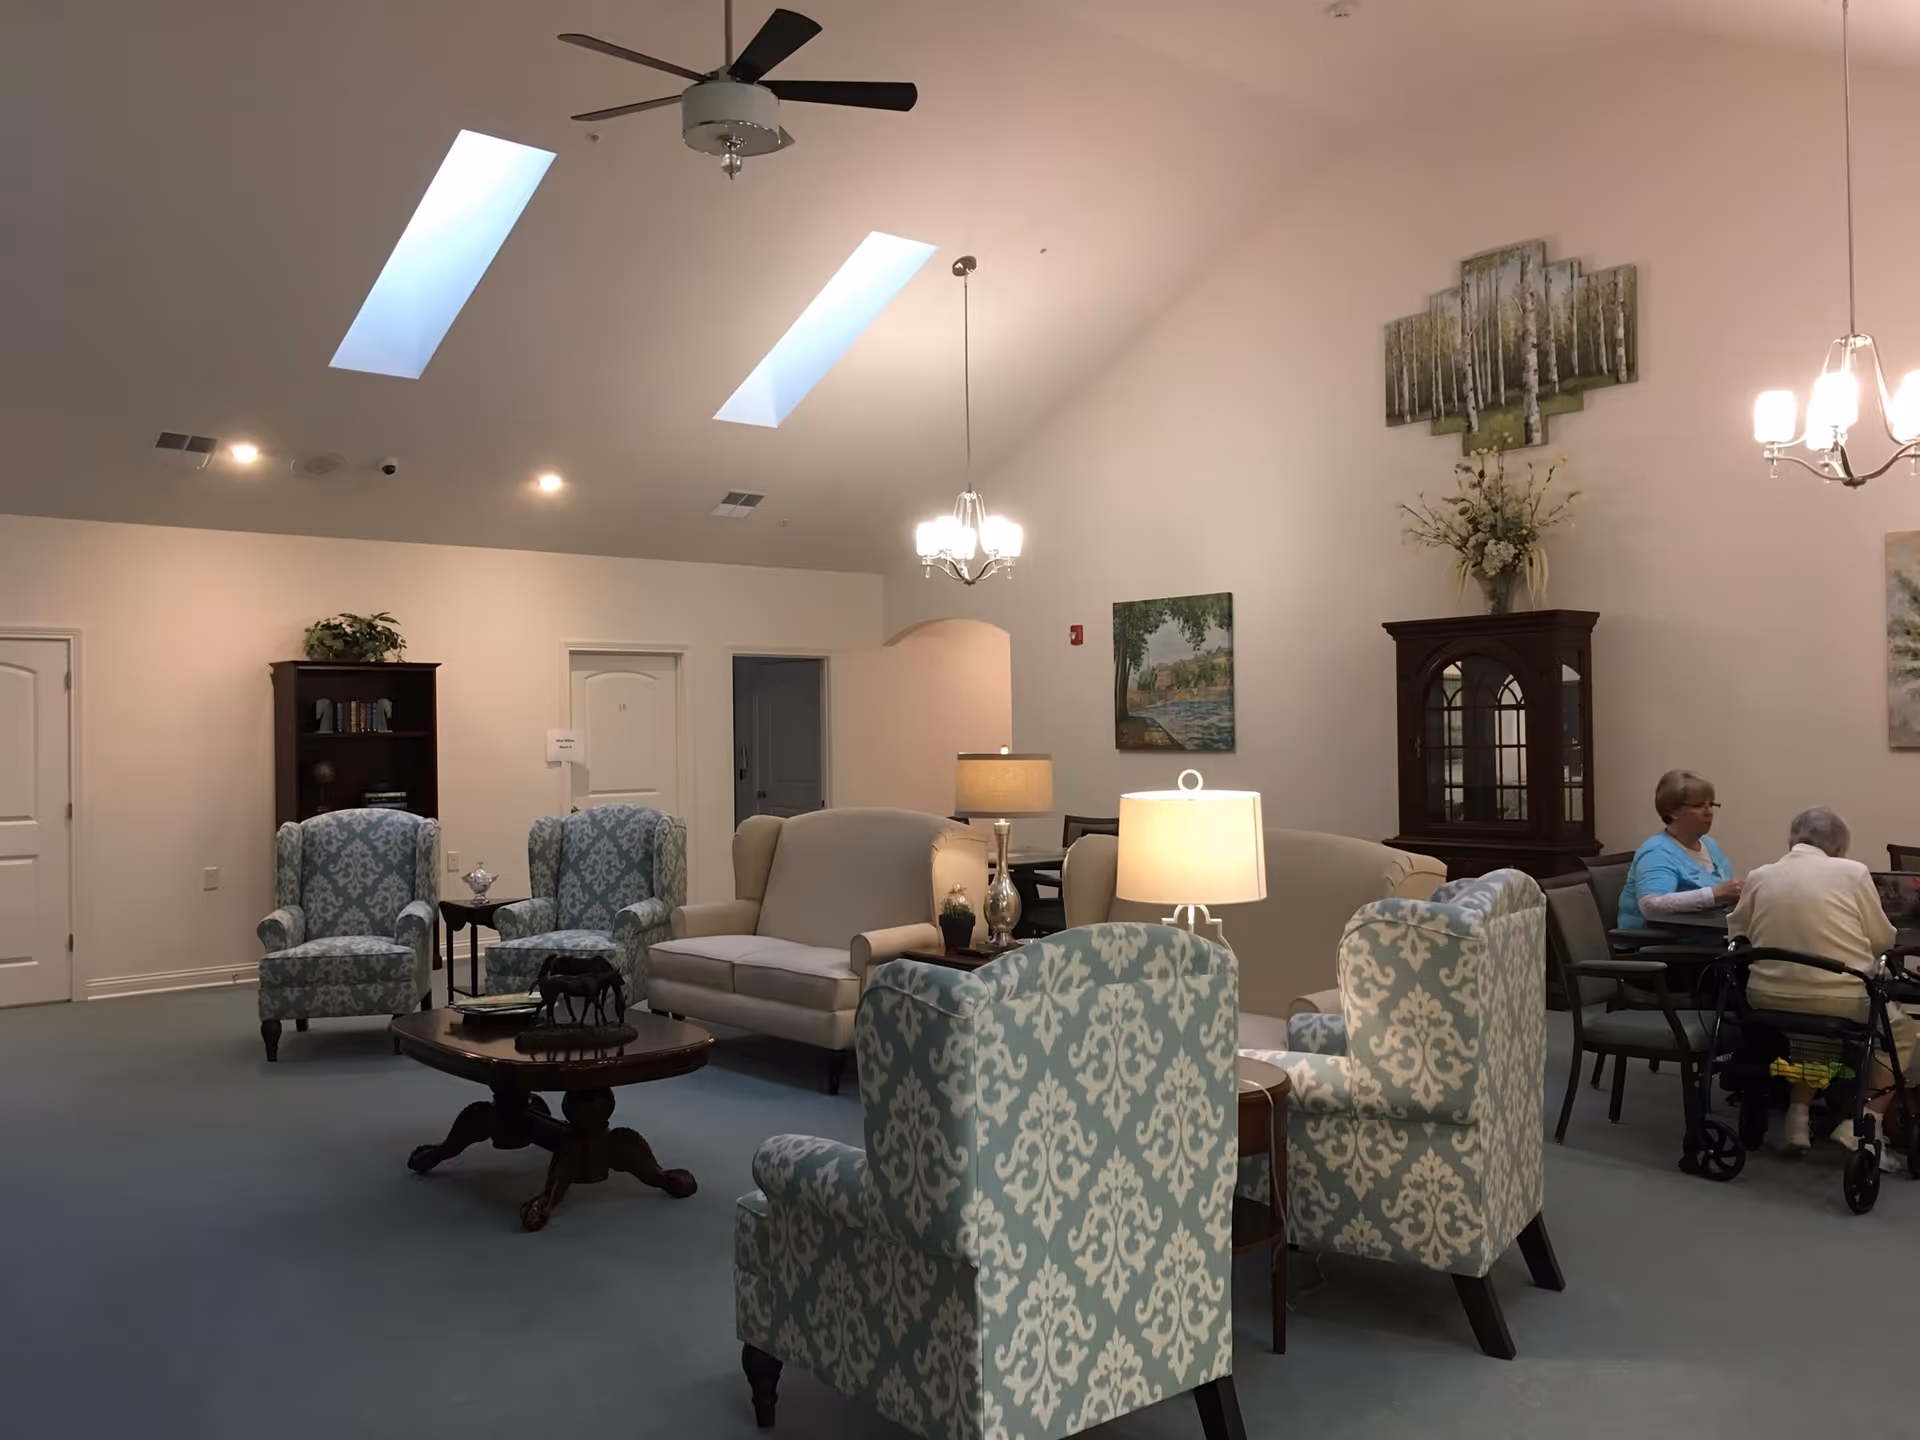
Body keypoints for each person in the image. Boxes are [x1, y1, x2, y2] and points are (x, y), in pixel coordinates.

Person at [1728, 806, 1918, 1160]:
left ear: (1792, 840)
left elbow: (1737, 935)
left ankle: (1798, 1120)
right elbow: (1882, 940)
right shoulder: (1853, 872)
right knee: (1902, 1031)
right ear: (1839, 848)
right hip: (1837, 998)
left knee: (1812, 1035)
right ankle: (1865, 1119)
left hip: (1764, 996)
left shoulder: (1760, 875)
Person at [1617, 769, 1742, 931]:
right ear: (1672, 811)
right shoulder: (1656, 852)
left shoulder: (1710, 845)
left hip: (1708, 933)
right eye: (1698, 805)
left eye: (1711, 804)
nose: (1709, 812)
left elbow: (1727, 895)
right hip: (1660, 944)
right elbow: (1651, 905)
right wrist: (1714, 894)